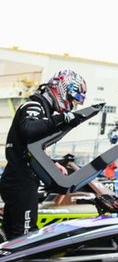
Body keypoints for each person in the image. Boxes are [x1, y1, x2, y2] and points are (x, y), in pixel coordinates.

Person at [1, 69, 87, 239]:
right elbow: (28, 129)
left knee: (13, 235)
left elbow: (31, 149)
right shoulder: (33, 105)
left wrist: (52, 163)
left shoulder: (43, 110)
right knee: (24, 237)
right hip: (20, 180)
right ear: (62, 89)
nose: (71, 105)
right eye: (71, 99)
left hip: (20, 179)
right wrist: (62, 119)